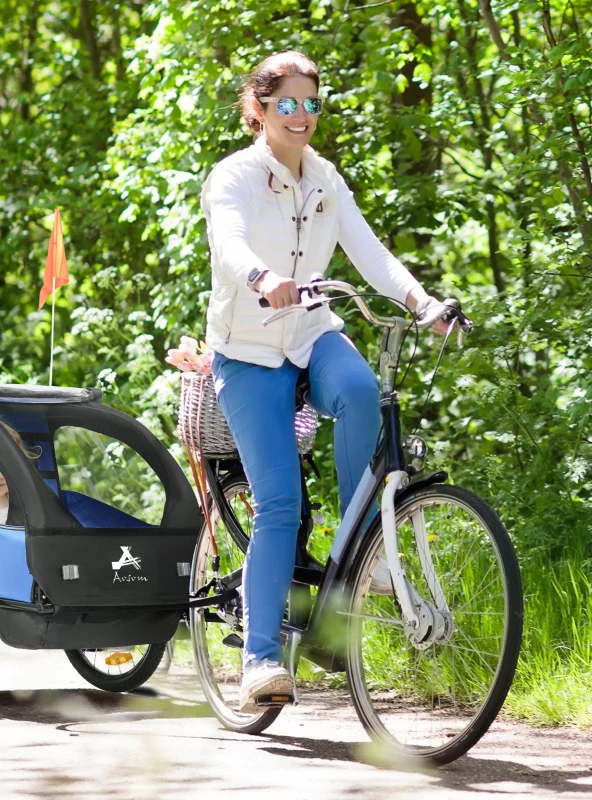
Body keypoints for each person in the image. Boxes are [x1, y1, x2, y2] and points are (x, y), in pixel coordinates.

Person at [201, 50, 451, 713]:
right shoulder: (234, 177)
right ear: (259, 109)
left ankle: (359, 548)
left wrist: (423, 304)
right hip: (249, 351)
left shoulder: (324, 179)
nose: (302, 115)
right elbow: (229, 243)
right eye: (287, 103)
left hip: (311, 333)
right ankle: (260, 661)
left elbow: (370, 253)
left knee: (363, 392)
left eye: (312, 103)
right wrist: (263, 277)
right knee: (280, 504)